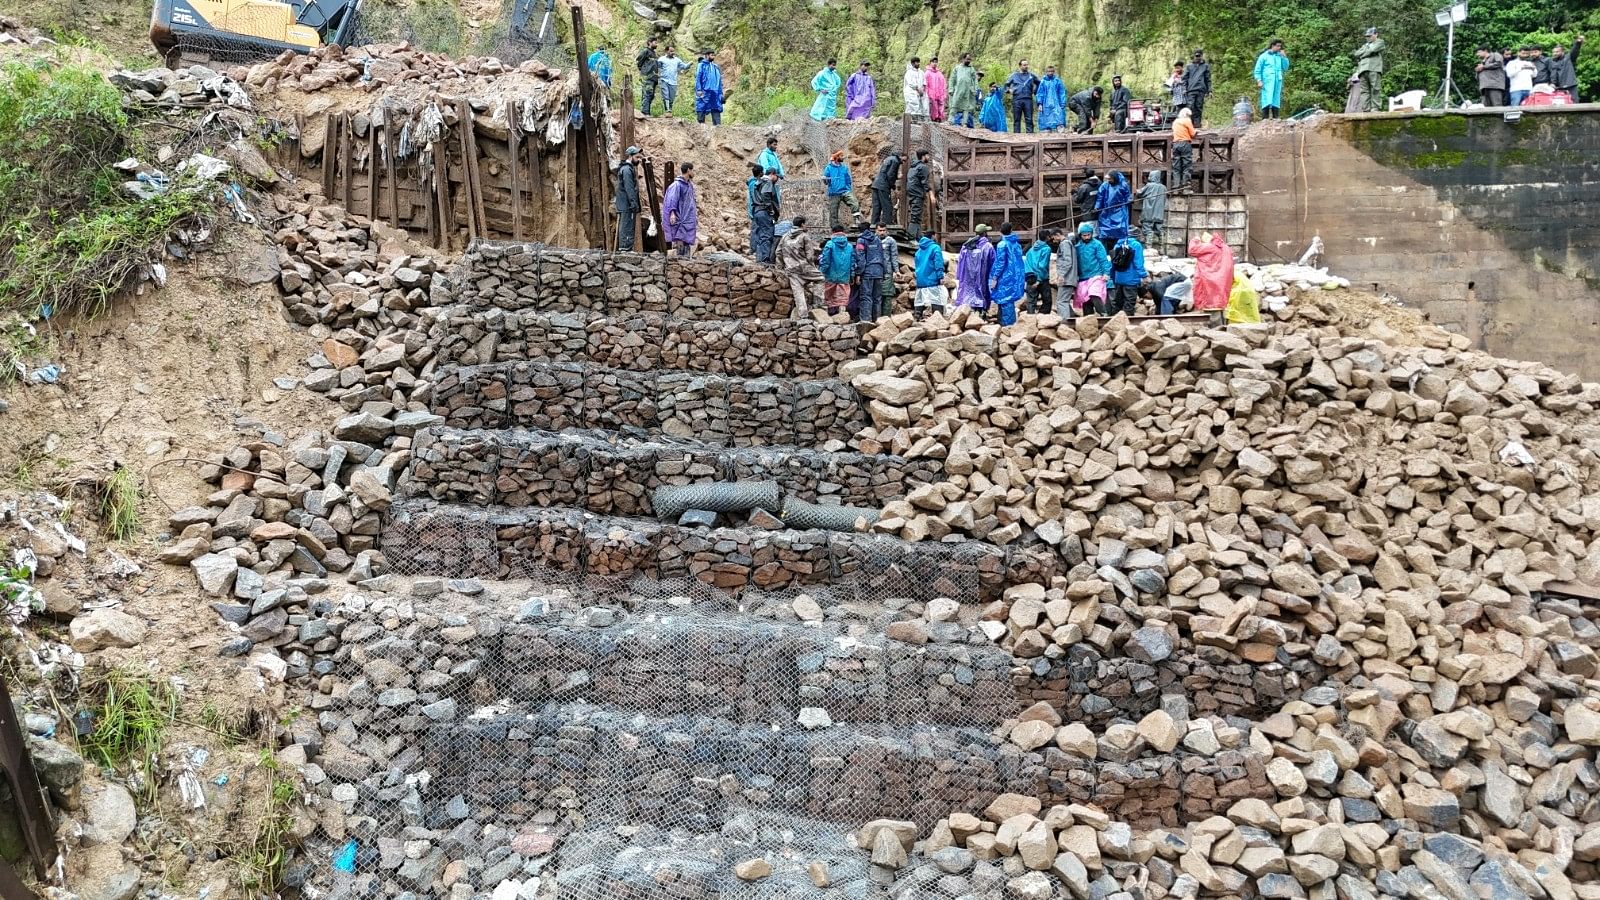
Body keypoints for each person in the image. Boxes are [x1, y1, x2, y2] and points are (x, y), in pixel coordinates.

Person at [775, 215, 821, 317]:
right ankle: (818, 306)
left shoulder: (785, 236)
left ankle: (803, 316)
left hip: (791, 269)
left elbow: (778, 252)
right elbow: (810, 256)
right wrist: (812, 266)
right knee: (821, 279)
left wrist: (782, 265)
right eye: (806, 224)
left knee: (798, 293)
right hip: (804, 267)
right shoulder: (805, 236)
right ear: (802, 224)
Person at [988, 222, 1026, 325]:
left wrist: (995, 277)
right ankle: (1004, 324)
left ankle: (1007, 326)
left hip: (1004, 276)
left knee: (1004, 300)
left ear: (1001, 231)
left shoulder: (1002, 244)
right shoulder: (1016, 244)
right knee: (1008, 300)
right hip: (1015, 276)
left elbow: (1000, 263)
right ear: (1011, 230)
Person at [1188, 231, 1235, 311]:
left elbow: (1192, 250)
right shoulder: (1226, 248)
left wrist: (1195, 240)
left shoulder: (1210, 246)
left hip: (1210, 276)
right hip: (1224, 277)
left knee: (1208, 300)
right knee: (1221, 300)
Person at [1073, 222, 1111, 316]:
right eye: (1084, 235)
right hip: (1082, 277)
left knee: (1094, 294)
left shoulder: (1097, 245)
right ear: (1080, 235)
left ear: (1092, 234)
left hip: (1096, 275)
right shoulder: (1077, 247)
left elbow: (1103, 260)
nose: (1086, 237)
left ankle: (1103, 314)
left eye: (1088, 235)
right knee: (1085, 300)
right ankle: (1088, 320)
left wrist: (1106, 273)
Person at [955, 224, 994, 311]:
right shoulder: (988, 246)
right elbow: (993, 262)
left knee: (970, 296)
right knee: (982, 294)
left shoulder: (966, 246)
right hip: (983, 277)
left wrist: (959, 275)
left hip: (968, 277)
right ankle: (982, 314)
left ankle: (970, 313)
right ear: (984, 233)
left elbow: (960, 262)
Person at [662, 161, 698, 256]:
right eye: (692, 170)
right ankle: (678, 262)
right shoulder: (677, 185)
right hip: (680, 218)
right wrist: (672, 213)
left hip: (687, 218)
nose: (693, 173)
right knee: (679, 239)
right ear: (688, 170)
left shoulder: (689, 185)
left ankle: (685, 264)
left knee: (686, 240)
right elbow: (672, 200)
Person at [853, 224, 887, 322]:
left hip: (868, 272)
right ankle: (878, 321)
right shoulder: (878, 240)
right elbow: (882, 257)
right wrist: (884, 272)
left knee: (866, 297)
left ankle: (866, 321)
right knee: (877, 298)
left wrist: (858, 273)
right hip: (879, 271)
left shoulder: (861, 240)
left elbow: (861, 258)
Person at [818, 226, 855, 314]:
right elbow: (853, 261)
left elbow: (825, 261)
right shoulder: (849, 246)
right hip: (845, 275)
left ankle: (826, 315)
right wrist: (852, 274)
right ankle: (842, 315)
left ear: (833, 232)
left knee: (827, 294)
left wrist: (821, 271)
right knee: (843, 296)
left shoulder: (829, 244)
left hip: (830, 274)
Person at [1107, 234, 1146, 316]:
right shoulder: (1136, 245)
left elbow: (1113, 263)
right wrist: (1143, 275)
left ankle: (1114, 322)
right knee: (1129, 303)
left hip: (1118, 279)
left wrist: (1112, 276)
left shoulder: (1117, 244)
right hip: (1131, 279)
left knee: (1118, 303)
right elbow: (1138, 262)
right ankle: (1127, 324)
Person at [824, 150, 862, 231]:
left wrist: (848, 188)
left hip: (845, 191)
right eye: (841, 156)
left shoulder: (844, 167)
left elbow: (848, 179)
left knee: (854, 202)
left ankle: (857, 220)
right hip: (834, 193)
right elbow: (826, 181)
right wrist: (825, 179)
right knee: (833, 212)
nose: (843, 157)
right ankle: (835, 228)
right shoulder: (828, 168)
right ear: (836, 157)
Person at [913, 233, 948, 319]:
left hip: (921, 278)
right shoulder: (935, 247)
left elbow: (916, 264)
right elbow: (938, 262)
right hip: (932, 277)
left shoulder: (919, 250)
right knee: (936, 298)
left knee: (920, 298)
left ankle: (917, 316)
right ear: (933, 236)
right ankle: (938, 318)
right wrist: (940, 276)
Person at [1095, 170, 1131, 252]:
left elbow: (1127, 196)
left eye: (1110, 179)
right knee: (1104, 229)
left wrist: (1129, 200)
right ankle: (1104, 251)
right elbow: (1100, 196)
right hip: (1107, 211)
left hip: (1119, 210)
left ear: (1115, 178)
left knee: (1120, 229)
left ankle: (1120, 250)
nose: (1109, 181)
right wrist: (1097, 207)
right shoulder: (1105, 185)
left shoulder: (1123, 185)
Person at [1023, 228, 1058, 313]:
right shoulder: (1046, 249)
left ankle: (1030, 322)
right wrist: (1039, 280)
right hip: (1042, 279)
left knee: (1031, 302)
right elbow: (1042, 265)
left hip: (1030, 277)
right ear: (1047, 237)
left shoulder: (1031, 249)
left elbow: (1026, 263)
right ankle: (1042, 319)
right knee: (1047, 301)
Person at [615, 146, 643, 251]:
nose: (639, 160)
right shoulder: (627, 170)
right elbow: (629, 188)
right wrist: (633, 203)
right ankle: (625, 250)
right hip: (627, 204)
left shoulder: (627, 168)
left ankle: (625, 249)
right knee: (627, 227)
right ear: (631, 156)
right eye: (637, 157)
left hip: (625, 203)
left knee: (626, 226)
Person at [1254, 40, 1290, 119]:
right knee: (1266, 98)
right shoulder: (1264, 56)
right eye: (1277, 46)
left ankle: (1275, 118)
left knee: (1276, 98)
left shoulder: (1279, 56)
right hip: (1267, 81)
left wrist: (1284, 57)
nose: (1279, 48)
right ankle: (1265, 119)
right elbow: (1257, 70)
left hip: (1277, 81)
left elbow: (1285, 68)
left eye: (1280, 46)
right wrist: (1259, 80)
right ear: (1272, 46)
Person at [1353, 28, 1385, 113]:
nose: (1368, 38)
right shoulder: (1365, 45)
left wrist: (1363, 54)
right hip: (1363, 69)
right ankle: (1366, 109)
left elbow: (1372, 50)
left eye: (1370, 36)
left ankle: (1375, 108)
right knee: (1364, 91)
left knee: (1375, 88)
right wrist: (1366, 52)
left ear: (1376, 34)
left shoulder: (1380, 42)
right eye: (1367, 36)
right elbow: (1356, 54)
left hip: (1374, 68)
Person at [751, 168, 780, 264]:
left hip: (757, 211)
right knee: (767, 236)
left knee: (760, 236)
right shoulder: (767, 182)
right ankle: (765, 261)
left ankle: (760, 260)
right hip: (764, 212)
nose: (777, 179)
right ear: (772, 174)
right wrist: (771, 210)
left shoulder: (757, 182)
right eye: (777, 176)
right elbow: (765, 194)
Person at [1005, 60, 1040, 133]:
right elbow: (1006, 84)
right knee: (1017, 119)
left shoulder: (1031, 75)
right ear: (1020, 66)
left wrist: (1035, 91)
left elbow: (1039, 83)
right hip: (1017, 99)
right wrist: (1009, 90)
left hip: (1028, 99)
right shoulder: (1014, 75)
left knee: (1029, 119)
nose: (1026, 66)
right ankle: (1017, 138)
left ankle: (1030, 137)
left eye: (1027, 64)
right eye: (1024, 65)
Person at [1052, 226, 1079, 319]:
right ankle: (1072, 319)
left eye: (1054, 237)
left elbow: (1067, 261)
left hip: (1067, 279)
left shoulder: (1064, 244)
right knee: (1065, 301)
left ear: (1057, 235)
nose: (1053, 240)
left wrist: (1061, 275)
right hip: (1070, 278)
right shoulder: (1068, 243)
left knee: (1061, 301)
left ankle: (1064, 324)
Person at [870, 150, 901, 226]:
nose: (904, 161)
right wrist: (893, 186)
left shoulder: (888, 158)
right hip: (883, 186)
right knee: (887, 206)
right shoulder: (895, 161)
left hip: (876, 184)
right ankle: (887, 224)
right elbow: (890, 175)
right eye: (904, 159)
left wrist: (896, 177)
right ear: (901, 156)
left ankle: (874, 224)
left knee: (877, 206)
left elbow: (886, 172)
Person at [1136, 171, 1167, 246]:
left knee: (1148, 231)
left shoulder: (1149, 186)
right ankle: (1162, 249)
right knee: (1160, 231)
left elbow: (1139, 193)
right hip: (1159, 214)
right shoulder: (1163, 187)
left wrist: (1137, 190)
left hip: (1148, 214)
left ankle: (1148, 248)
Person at [694, 50, 725, 125]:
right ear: (706, 55)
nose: (713, 56)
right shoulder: (701, 65)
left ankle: (718, 126)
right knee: (701, 106)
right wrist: (698, 89)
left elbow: (719, 81)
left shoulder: (715, 67)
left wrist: (721, 93)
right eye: (712, 55)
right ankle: (700, 125)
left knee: (716, 107)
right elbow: (698, 77)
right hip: (704, 91)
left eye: (714, 55)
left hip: (715, 92)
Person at [906, 150, 932, 240]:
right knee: (916, 216)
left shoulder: (912, 167)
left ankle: (917, 237)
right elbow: (924, 182)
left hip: (911, 194)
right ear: (923, 156)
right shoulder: (922, 167)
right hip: (917, 194)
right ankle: (911, 237)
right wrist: (930, 192)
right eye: (928, 156)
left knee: (916, 215)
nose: (929, 158)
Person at [950, 54, 980, 127]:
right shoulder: (957, 68)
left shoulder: (971, 69)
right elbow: (952, 79)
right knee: (954, 104)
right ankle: (950, 120)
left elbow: (975, 80)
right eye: (967, 59)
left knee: (966, 107)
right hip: (958, 89)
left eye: (970, 59)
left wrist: (975, 89)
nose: (969, 61)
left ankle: (964, 123)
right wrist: (951, 89)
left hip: (968, 91)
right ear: (963, 59)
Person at [1183, 50, 1212, 124]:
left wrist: (1210, 91)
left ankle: (1197, 125)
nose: (1197, 57)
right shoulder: (1189, 66)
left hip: (1201, 90)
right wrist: (1184, 89)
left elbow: (1208, 79)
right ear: (1194, 56)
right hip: (1191, 90)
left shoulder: (1205, 66)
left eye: (1199, 56)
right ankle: (1189, 124)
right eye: (1196, 56)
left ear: (1202, 56)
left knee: (1198, 107)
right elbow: (1184, 79)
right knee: (1190, 107)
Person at [1551, 37, 1584, 102]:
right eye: (1554, 52)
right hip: (1558, 88)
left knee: (1574, 102)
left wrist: (1578, 43)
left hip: (1570, 85)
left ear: (1562, 51)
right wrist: (1552, 84)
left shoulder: (1568, 58)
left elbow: (1574, 51)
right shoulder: (1552, 62)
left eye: (1557, 51)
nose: (1555, 53)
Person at [1036, 65, 1068, 131]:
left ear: (1054, 72)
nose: (1050, 73)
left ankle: (1061, 136)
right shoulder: (1043, 82)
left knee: (1059, 119)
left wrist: (1062, 103)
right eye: (1049, 71)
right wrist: (1040, 103)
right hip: (1045, 104)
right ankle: (1047, 134)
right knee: (1046, 120)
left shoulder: (1057, 81)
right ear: (1046, 72)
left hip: (1056, 104)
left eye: (1052, 71)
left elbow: (1061, 93)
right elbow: (1040, 93)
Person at [657, 47, 688, 112]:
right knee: (665, 95)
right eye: (671, 51)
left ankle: (670, 109)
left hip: (673, 81)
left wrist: (689, 64)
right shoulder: (661, 59)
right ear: (666, 51)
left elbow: (684, 66)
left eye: (673, 51)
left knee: (672, 97)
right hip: (664, 80)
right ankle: (667, 110)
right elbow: (657, 67)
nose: (672, 53)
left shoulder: (677, 60)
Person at [878, 224, 900, 315]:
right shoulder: (873, 240)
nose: (882, 232)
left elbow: (894, 256)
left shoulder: (891, 241)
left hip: (887, 271)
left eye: (883, 230)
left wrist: (896, 270)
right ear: (876, 230)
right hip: (875, 272)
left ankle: (886, 317)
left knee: (887, 295)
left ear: (886, 231)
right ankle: (877, 318)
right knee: (876, 296)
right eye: (880, 230)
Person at [1171, 108, 1195, 187]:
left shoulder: (1175, 122)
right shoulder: (1187, 121)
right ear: (1187, 115)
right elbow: (1192, 134)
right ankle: (1186, 187)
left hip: (1176, 144)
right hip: (1185, 143)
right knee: (1186, 165)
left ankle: (1176, 186)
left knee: (1176, 166)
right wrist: (1196, 131)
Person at [636, 39, 660, 115]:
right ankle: (645, 112)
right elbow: (639, 61)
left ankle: (647, 113)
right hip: (647, 77)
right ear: (650, 42)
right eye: (655, 43)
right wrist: (644, 71)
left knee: (651, 95)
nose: (657, 44)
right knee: (647, 93)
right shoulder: (645, 51)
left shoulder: (654, 53)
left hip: (653, 78)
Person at [744, 163, 764, 256]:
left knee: (756, 229)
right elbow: (753, 198)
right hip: (755, 210)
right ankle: (754, 250)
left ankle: (755, 249)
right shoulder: (754, 183)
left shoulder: (753, 182)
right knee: (756, 230)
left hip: (754, 210)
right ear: (760, 173)